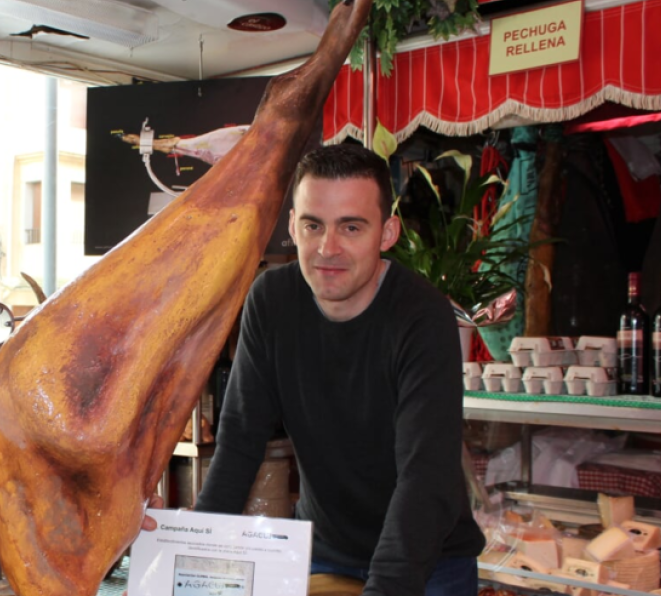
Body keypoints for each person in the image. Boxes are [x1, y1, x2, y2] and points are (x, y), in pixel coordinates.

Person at [187, 143, 484, 596]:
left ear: (387, 233)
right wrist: (191, 556)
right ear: (292, 227)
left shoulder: (421, 316)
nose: (328, 248)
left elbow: (426, 477)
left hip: (427, 562)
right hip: (320, 552)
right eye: (313, 225)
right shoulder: (272, 301)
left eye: (351, 227)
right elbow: (240, 438)